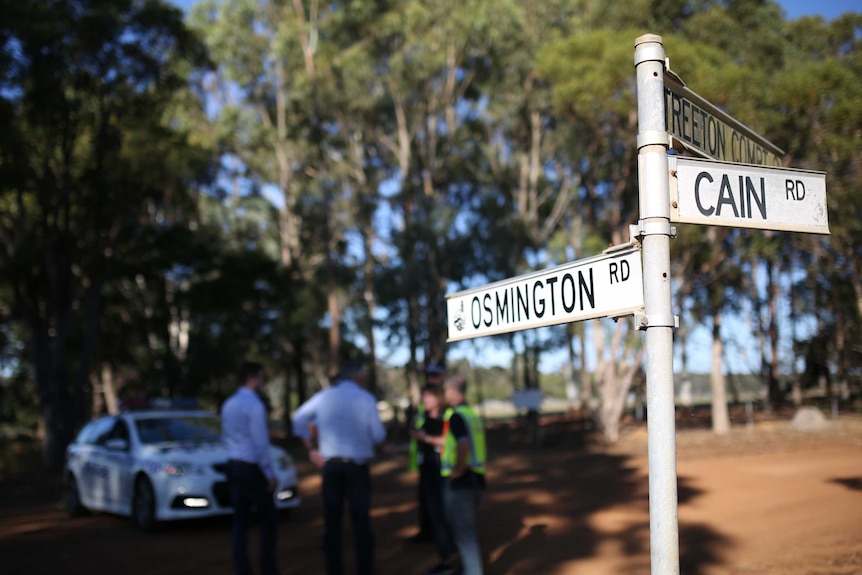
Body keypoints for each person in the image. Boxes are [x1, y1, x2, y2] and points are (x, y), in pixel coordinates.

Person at [292, 359, 386, 575]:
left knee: (332, 524)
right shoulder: (366, 398)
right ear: (359, 377)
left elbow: (298, 418)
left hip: (331, 468)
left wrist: (312, 449)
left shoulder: (324, 397)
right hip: (357, 468)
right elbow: (379, 435)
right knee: (361, 523)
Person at [221, 361, 279, 575]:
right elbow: (260, 442)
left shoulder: (228, 404)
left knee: (240, 523)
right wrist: (269, 472)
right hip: (251, 468)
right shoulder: (254, 405)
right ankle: (269, 569)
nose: (263, 382)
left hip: (234, 466)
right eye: (262, 378)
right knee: (268, 522)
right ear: (253, 378)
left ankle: (242, 569)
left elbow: (226, 436)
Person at [441, 375, 487, 575]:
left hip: (462, 482)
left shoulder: (457, 416)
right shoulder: (471, 414)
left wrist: (458, 470)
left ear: (452, 391)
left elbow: (464, 445)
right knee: (465, 531)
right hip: (476, 478)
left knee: (464, 535)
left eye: (445, 391)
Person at [411, 385, 456, 575]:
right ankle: (445, 557)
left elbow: (449, 441)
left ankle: (449, 560)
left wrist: (426, 438)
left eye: (428, 397)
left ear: (438, 398)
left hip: (442, 473)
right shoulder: (423, 418)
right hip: (426, 473)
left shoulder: (447, 417)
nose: (425, 401)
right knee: (434, 515)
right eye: (424, 398)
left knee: (444, 516)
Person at [407, 361, 446, 543]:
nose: (431, 379)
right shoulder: (424, 406)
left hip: (441, 460)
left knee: (440, 501)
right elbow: (419, 428)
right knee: (425, 499)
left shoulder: (447, 404)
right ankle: (427, 532)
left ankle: (444, 538)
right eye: (429, 375)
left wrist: (427, 439)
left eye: (435, 375)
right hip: (425, 460)